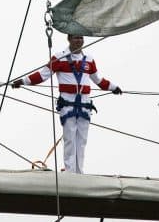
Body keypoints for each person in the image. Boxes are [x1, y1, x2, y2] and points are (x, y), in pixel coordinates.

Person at [8, 33, 122, 173]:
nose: (79, 40)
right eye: (75, 37)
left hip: (85, 106)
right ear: (69, 39)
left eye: (81, 38)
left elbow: (98, 80)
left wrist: (113, 87)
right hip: (68, 105)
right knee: (69, 138)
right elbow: (42, 75)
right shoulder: (59, 57)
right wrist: (23, 81)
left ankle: (79, 171)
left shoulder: (89, 60)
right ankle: (70, 170)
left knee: (82, 141)